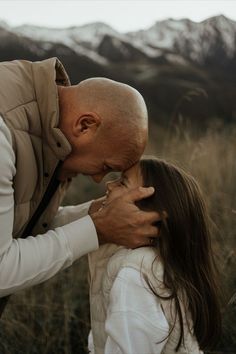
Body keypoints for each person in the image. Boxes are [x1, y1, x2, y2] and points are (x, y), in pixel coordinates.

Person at [0, 57, 159, 311]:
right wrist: (98, 230)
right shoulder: (4, 132)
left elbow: (19, 223)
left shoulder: (50, 129)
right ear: (85, 125)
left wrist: (97, 214)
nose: (98, 179)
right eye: (106, 167)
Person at [88, 158, 221, 354]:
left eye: (122, 182)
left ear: (150, 213)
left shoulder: (134, 275)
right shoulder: (161, 262)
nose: (109, 184)